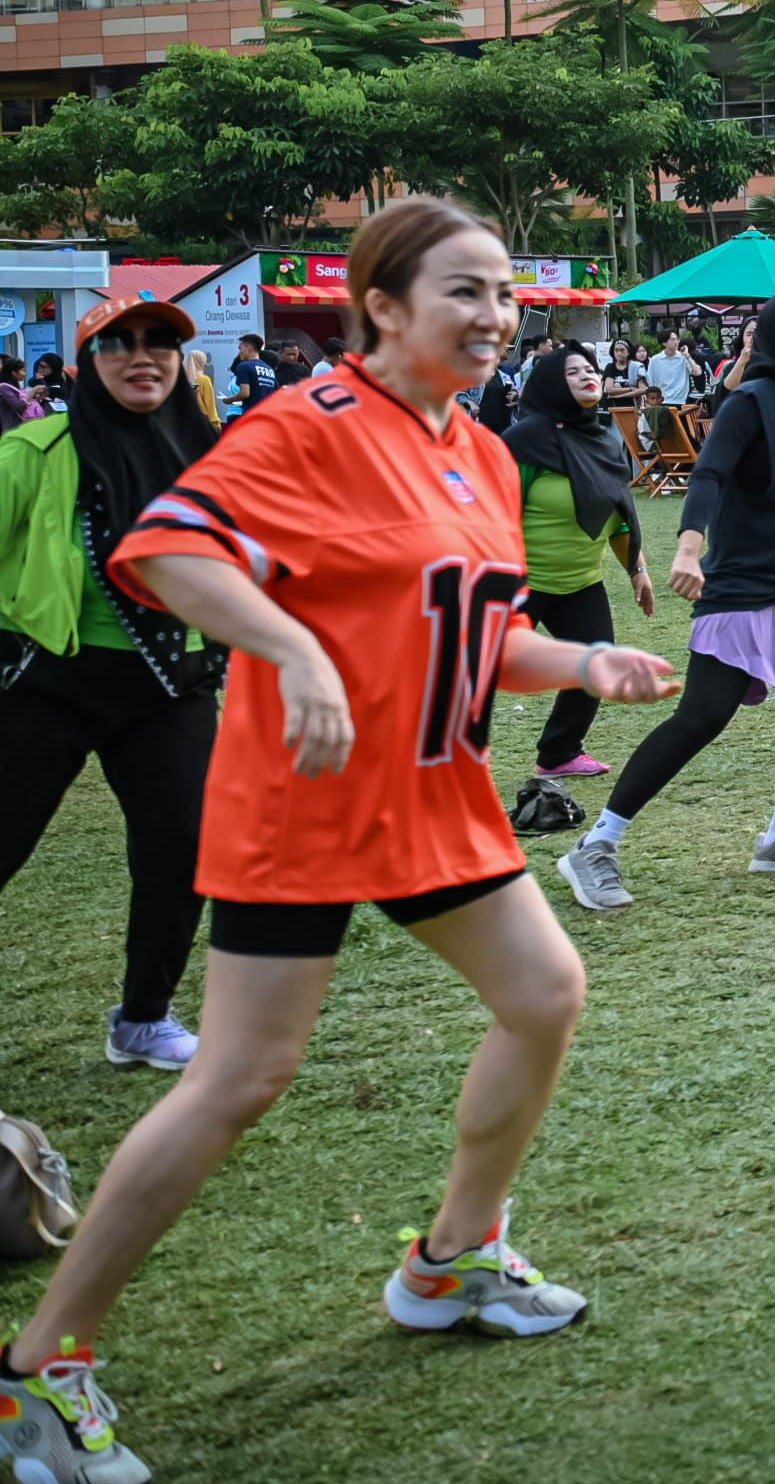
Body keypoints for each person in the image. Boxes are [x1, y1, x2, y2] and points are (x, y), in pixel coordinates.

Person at [0, 202, 679, 1484]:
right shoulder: (306, 424)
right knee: (241, 1078)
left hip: (433, 796)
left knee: (545, 993)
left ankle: (453, 1259)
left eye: (505, 294)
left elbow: (481, 635)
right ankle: (40, 1367)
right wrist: (293, 646)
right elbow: (166, 552)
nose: (494, 315)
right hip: (304, 801)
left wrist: (586, 661)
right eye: (464, 290)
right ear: (381, 305)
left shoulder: (479, 453)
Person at [553, 290, 775, 912]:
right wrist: (688, 549)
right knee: (703, 715)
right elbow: (709, 474)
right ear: (774, 337)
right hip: (745, 586)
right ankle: (596, 845)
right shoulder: (751, 402)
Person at [0, 291, 223, 1073]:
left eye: (160, 341)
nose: (142, 355)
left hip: (172, 682)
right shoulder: (32, 451)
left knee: (183, 846)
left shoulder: (208, 457)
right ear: (85, 364)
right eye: (117, 342)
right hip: (47, 679)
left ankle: (143, 1018)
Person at [503, 343, 654, 779]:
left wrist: (637, 569)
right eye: (572, 372)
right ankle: (435, 758)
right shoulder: (525, 441)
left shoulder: (603, 438)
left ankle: (559, 754)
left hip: (580, 582)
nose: (587, 375)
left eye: (589, 369)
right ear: (551, 383)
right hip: (519, 582)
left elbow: (618, 513)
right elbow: (491, 510)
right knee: (472, 674)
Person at [225, 333, 277, 418]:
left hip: (252, 416)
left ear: (248, 347)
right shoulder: (269, 369)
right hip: (268, 416)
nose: (239, 352)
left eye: (240, 348)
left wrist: (229, 400)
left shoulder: (244, 366)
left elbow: (245, 393)